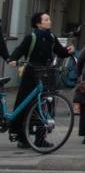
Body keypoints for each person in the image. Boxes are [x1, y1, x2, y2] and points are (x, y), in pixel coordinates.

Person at [7, 12, 73, 148]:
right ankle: (22, 137)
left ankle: (40, 138)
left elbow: (60, 52)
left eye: (49, 19)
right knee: (25, 104)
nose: (49, 21)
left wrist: (68, 51)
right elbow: (20, 49)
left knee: (45, 105)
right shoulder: (32, 37)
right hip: (31, 73)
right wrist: (13, 59)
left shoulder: (51, 37)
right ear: (38, 23)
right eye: (46, 19)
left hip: (46, 72)